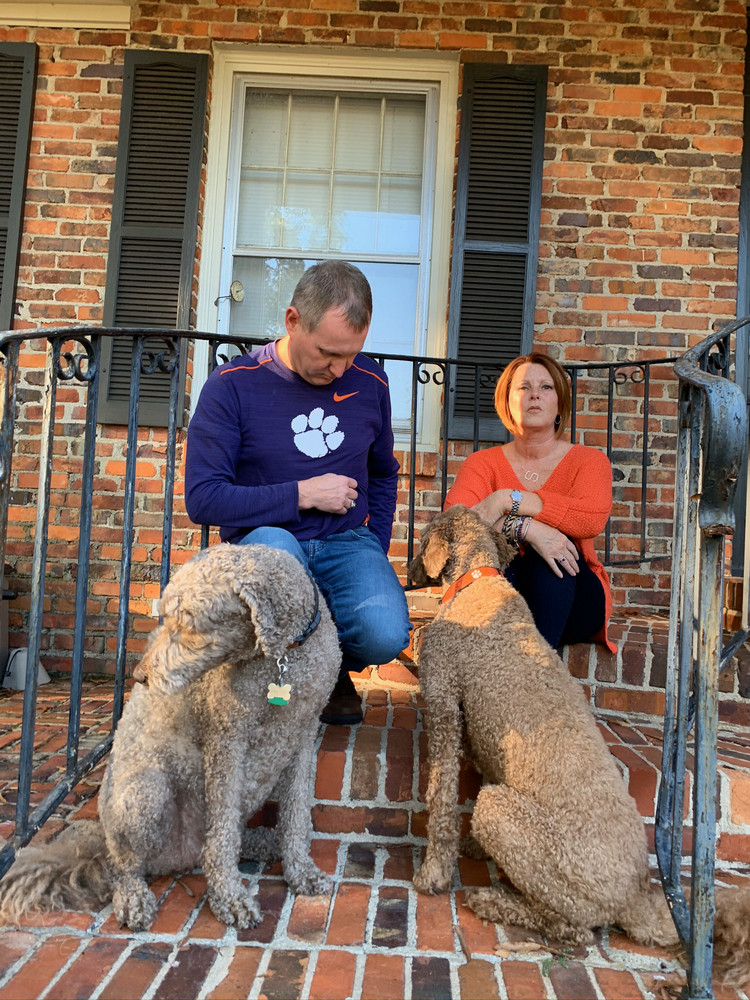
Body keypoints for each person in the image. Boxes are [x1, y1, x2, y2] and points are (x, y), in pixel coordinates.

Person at [184, 260, 411, 724]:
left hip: (347, 539)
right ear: (293, 321)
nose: (340, 369)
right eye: (328, 353)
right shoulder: (232, 386)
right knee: (280, 553)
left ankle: (330, 667)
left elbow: (384, 473)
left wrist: (375, 544)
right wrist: (302, 494)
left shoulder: (371, 382)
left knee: (386, 634)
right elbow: (203, 497)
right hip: (267, 537)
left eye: (351, 355)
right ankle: (284, 679)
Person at [444, 352, 615, 653]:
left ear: (560, 403)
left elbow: (590, 518)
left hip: (573, 597)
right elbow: (455, 527)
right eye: (523, 387)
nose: (534, 394)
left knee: (548, 556)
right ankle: (523, 668)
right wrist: (529, 529)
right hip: (504, 591)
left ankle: (532, 668)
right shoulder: (481, 464)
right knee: (502, 559)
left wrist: (506, 500)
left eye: (546, 387)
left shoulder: (589, 461)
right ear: (507, 403)